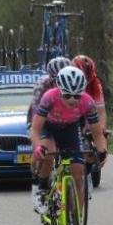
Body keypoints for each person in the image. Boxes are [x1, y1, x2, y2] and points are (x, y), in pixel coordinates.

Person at [30, 66, 107, 225]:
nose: (73, 100)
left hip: (70, 130)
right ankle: (42, 188)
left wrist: (102, 151)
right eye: (67, 96)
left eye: (77, 96)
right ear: (59, 90)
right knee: (48, 152)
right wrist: (37, 146)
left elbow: (97, 133)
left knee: (78, 175)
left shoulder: (87, 102)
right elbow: (35, 130)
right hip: (49, 128)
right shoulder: (49, 97)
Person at [28, 56, 71, 187]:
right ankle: (40, 184)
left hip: (65, 120)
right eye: (57, 81)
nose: (61, 85)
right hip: (42, 119)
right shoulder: (42, 85)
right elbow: (37, 112)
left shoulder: (74, 82)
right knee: (47, 154)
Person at [72, 55, 106, 129]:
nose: (86, 79)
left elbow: (101, 110)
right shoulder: (67, 81)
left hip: (86, 111)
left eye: (88, 76)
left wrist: (102, 129)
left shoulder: (95, 82)